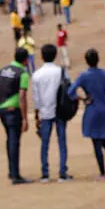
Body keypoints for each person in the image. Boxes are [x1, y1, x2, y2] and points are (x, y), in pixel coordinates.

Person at [67, 49, 105, 180]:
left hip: (92, 110)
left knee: (96, 143)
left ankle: (102, 173)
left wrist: (82, 98)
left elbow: (70, 91)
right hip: (104, 109)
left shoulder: (83, 76)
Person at [0, 47, 32, 185]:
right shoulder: (23, 73)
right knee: (14, 141)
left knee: (9, 140)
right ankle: (16, 175)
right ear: (26, 60)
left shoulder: (4, 70)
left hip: (2, 108)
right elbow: (22, 95)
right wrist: (25, 118)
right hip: (13, 110)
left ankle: (11, 171)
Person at [31, 44, 71, 183]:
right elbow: (68, 89)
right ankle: (62, 172)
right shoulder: (61, 71)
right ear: (55, 56)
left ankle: (45, 173)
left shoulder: (36, 74)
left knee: (45, 143)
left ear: (42, 56)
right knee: (62, 141)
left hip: (45, 110)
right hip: (60, 110)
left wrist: (37, 115)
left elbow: (36, 98)